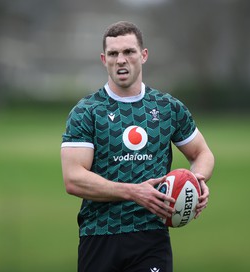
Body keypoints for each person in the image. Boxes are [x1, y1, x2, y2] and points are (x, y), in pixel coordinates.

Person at [61, 21, 215, 272]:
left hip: (151, 237)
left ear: (143, 55)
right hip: (99, 234)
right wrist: (134, 192)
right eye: (113, 53)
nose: (121, 60)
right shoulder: (86, 112)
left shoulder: (168, 108)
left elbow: (202, 153)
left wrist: (197, 181)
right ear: (104, 59)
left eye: (129, 52)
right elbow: (73, 179)